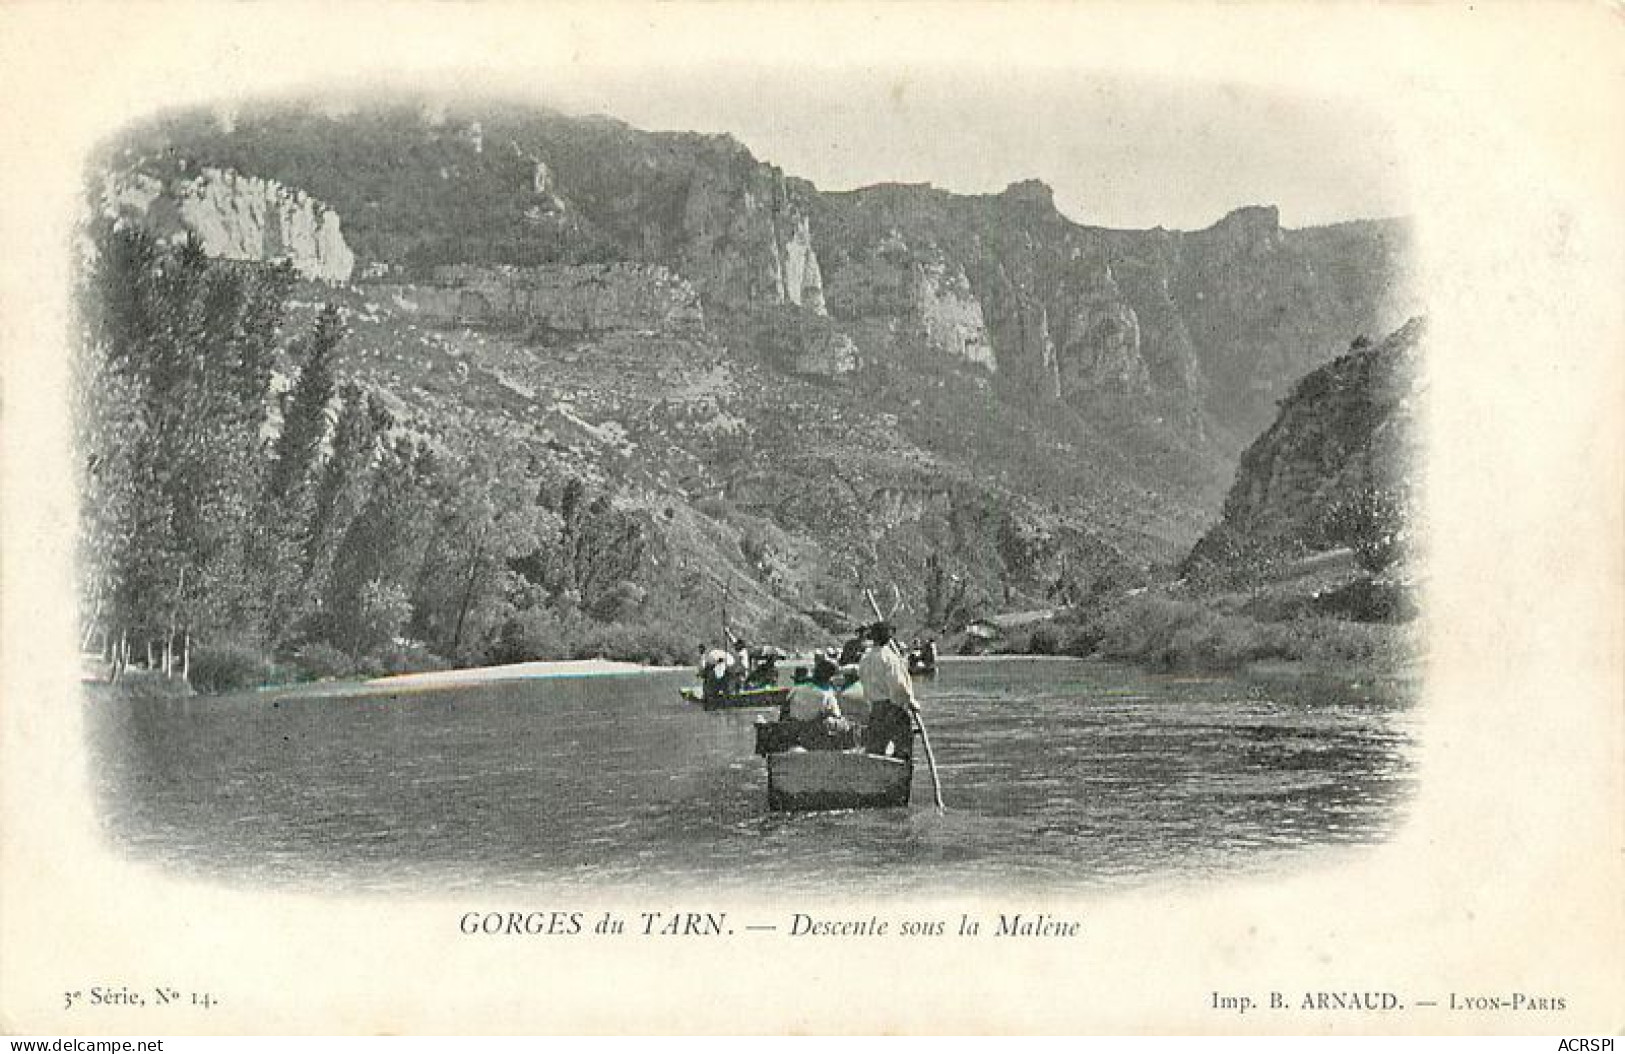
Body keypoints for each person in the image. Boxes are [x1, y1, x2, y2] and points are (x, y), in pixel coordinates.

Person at [857, 621, 917, 758]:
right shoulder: (889, 658)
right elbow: (898, 687)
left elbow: (863, 681)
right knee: (903, 749)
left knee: (875, 750)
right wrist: (910, 701)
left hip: (875, 709)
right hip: (892, 708)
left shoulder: (865, 658)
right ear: (889, 637)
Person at [783, 653, 854, 750]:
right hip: (813, 734)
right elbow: (837, 715)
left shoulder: (796, 689)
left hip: (793, 730)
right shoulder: (827, 695)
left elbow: (785, 710)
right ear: (831, 678)